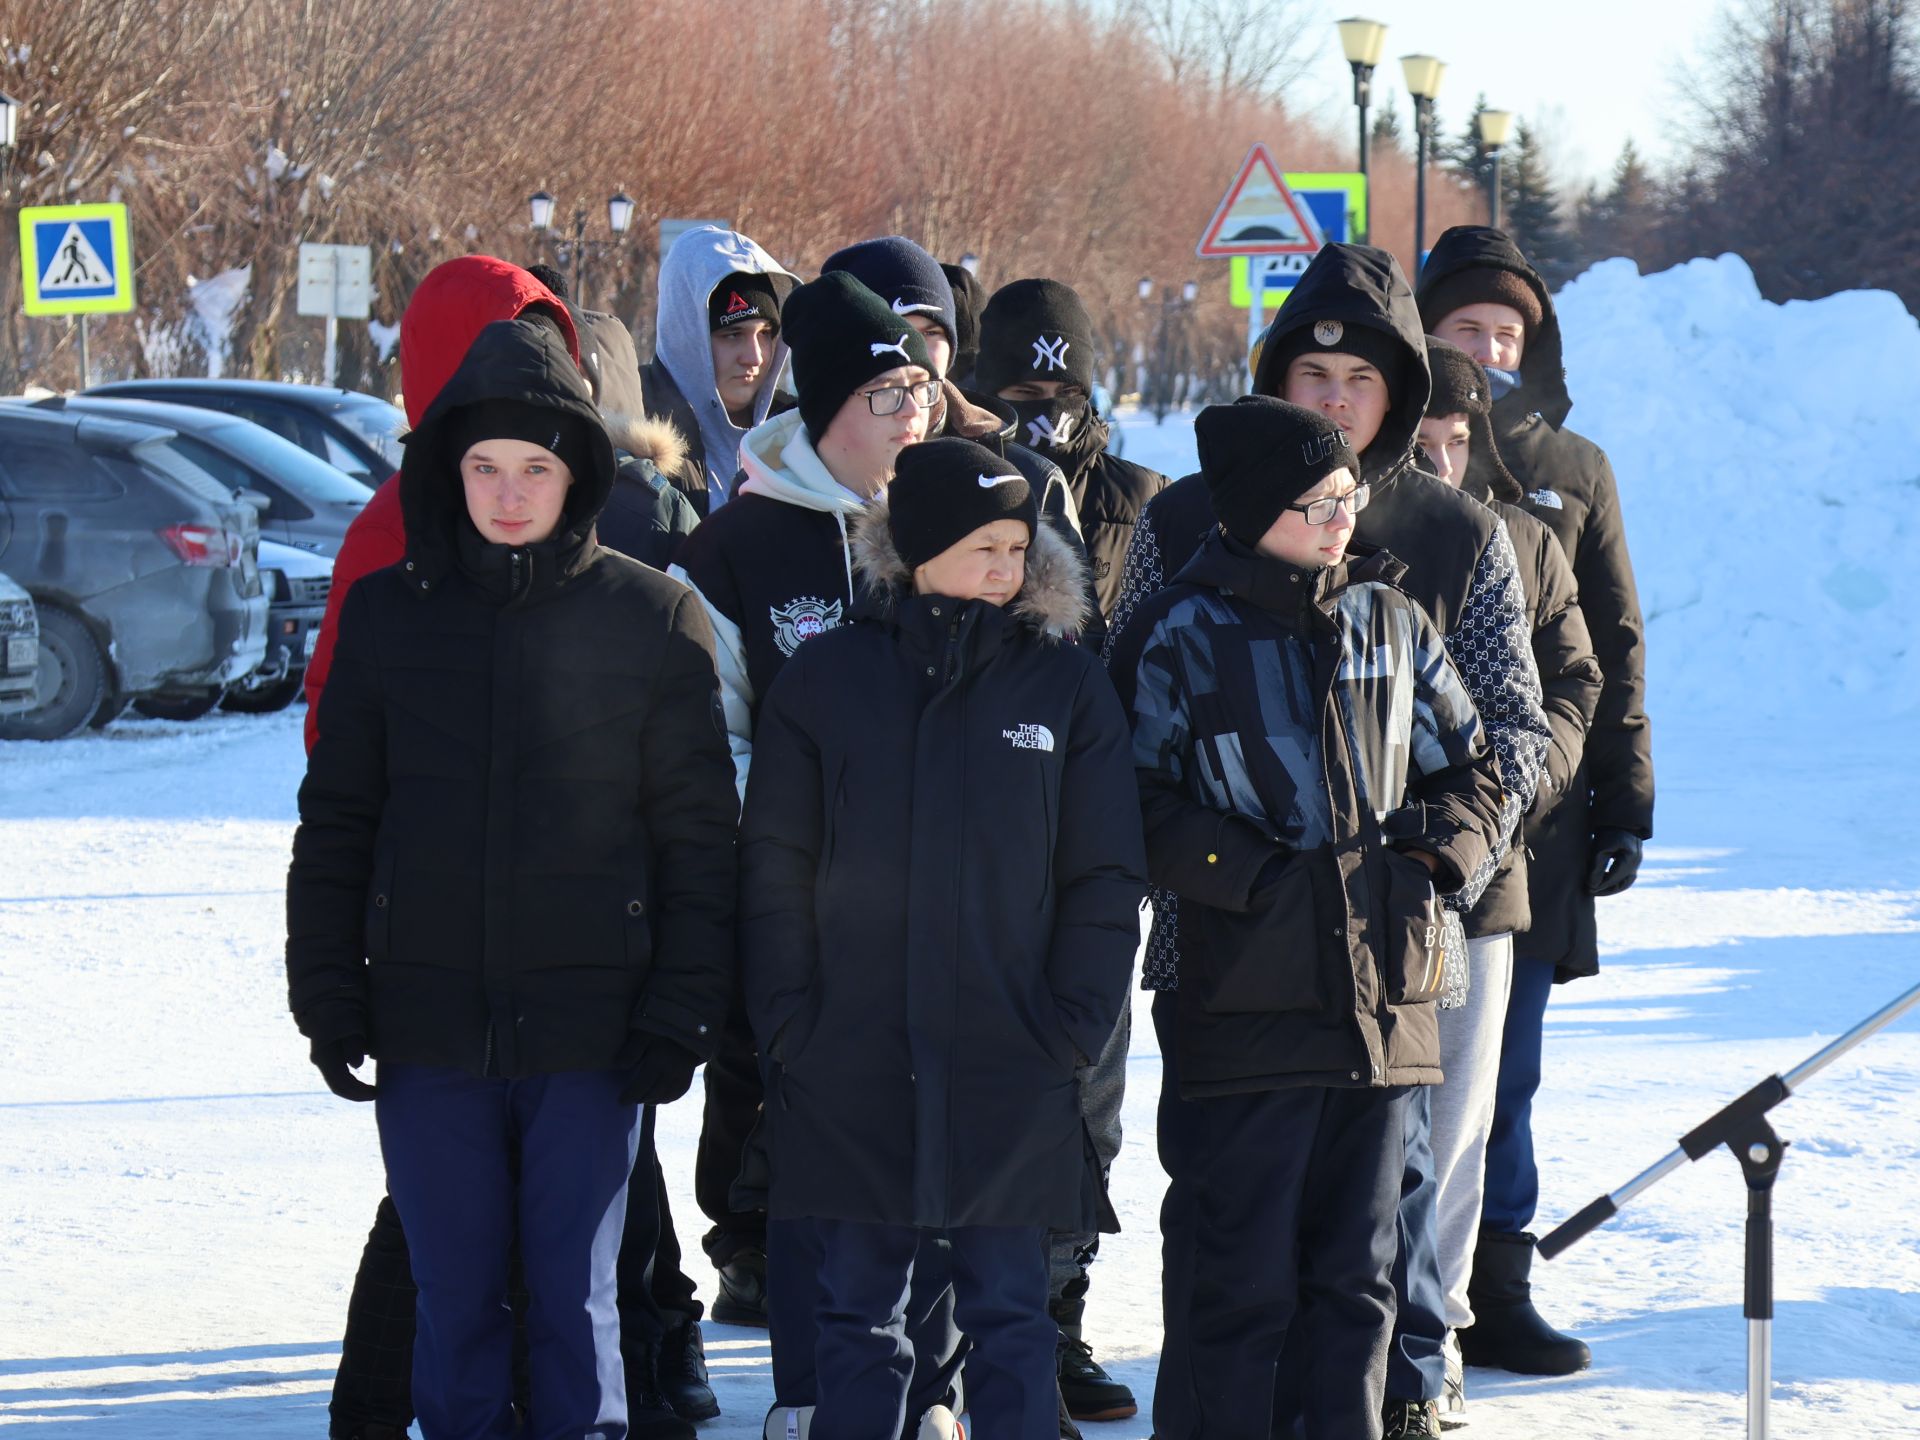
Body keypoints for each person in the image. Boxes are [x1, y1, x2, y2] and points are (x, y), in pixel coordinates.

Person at [1106, 242, 1549, 1440]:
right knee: (1235, 1243)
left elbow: (1506, 729)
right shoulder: (1188, 520)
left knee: (1384, 1230)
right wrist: (1234, 879)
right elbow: (1129, 746)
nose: (1337, 400)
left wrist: (1438, 867)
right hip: (1239, 962)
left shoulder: (1450, 535)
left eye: (1363, 380)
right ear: (1277, 378)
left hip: (1408, 946)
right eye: (1313, 373)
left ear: (1402, 390)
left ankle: (1403, 1391)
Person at [286, 316, 739, 1440]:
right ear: (449, 471)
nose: (507, 492)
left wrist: (682, 1008)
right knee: (455, 1304)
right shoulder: (388, 616)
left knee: (579, 1308)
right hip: (430, 1026)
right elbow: (338, 820)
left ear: (578, 471)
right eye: (484, 466)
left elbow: (698, 842)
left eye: (535, 467)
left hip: (593, 1034)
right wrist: (327, 986)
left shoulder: (652, 616)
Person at [739, 436, 1147, 1440]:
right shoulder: (827, 681)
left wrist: (1071, 1025)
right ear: (919, 550)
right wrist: (793, 1022)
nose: (1006, 569)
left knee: (1012, 1313)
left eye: (1017, 548)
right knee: (858, 1316)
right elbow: (771, 870)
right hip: (853, 1054)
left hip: (1015, 1054)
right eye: (983, 548)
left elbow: (1103, 874)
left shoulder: (1065, 687)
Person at [1419, 226, 1655, 1376]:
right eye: (1468, 329)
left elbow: (1608, 644)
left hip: (1538, 824)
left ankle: (1492, 1285)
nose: (1491, 350)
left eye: (1510, 333)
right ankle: (1388, 1291)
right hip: (1402, 810)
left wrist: (1626, 798)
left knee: (1506, 1069)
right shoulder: (1391, 461)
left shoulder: (1577, 466)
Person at [1379, 338, 1604, 1432]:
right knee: (1375, 1133)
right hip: (1371, 880)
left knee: (1460, 1130)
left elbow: (1571, 687)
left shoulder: (1516, 540)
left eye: (1457, 444)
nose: (1439, 462)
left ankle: (1442, 1334)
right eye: (1422, 442)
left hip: (1488, 876)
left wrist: (1519, 792)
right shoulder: (1345, 531)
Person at [973, 276, 1164, 1422]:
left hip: (1102, 839)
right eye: (1018, 385)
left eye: (1063, 382)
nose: (1042, 404)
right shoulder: (971, 488)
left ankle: (1060, 1321)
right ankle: (981, 1324)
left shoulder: (1150, 502)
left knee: (1088, 1099)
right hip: (986, 831)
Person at [977, 278, 1167, 624]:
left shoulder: (1145, 497)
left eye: (1067, 392)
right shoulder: (953, 487)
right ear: (991, 396)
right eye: (1027, 394)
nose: (1052, 416)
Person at [643, 224, 800, 515]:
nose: (754, 357)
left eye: (765, 333)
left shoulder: (799, 432)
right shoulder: (632, 432)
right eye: (733, 335)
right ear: (687, 337)